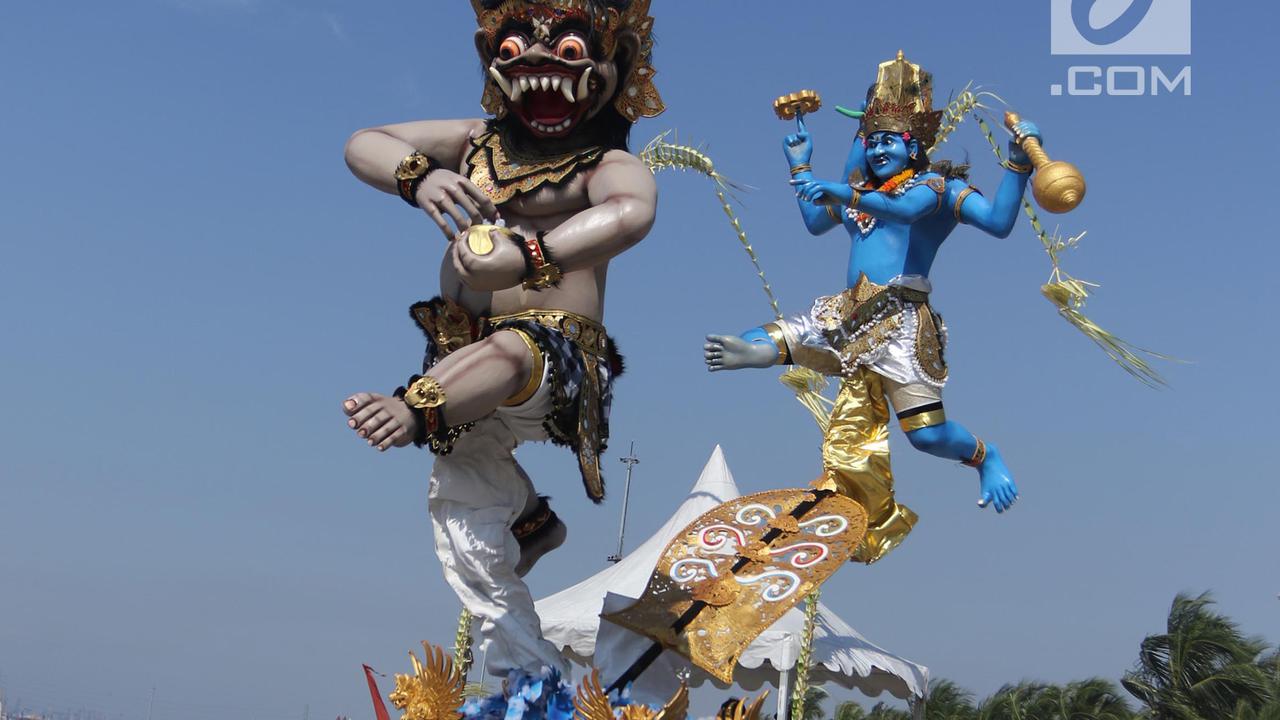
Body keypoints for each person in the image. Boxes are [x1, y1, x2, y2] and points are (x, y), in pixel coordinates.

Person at [342, 0, 663, 679]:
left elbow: (633, 211)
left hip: (555, 355)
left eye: (571, 54)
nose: (539, 66)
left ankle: (413, 407)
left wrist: (532, 257)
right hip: (460, 353)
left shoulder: (598, 163)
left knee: (512, 350)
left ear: (616, 67)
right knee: (462, 512)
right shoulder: (472, 143)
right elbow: (363, 141)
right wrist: (420, 177)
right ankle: (529, 533)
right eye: (516, 50)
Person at [705, 51, 1031, 564]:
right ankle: (758, 354)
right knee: (765, 339)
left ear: (914, 146)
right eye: (870, 140)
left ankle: (985, 456)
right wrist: (801, 165)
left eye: (887, 141)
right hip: (848, 313)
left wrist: (1017, 165)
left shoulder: (935, 188)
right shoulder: (862, 192)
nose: (876, 150)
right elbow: (817, 222)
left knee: (926, 435)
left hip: (901, 323)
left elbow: (989, 220)